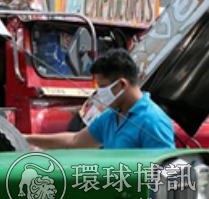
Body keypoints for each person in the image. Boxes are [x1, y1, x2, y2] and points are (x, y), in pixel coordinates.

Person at [24, 48, 175, 150]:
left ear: (121, 84)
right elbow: (75, 140)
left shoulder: (153, 121)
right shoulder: (111, 116)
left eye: (102, 86)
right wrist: (25, 138)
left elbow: (166, 176)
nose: (99, 92)